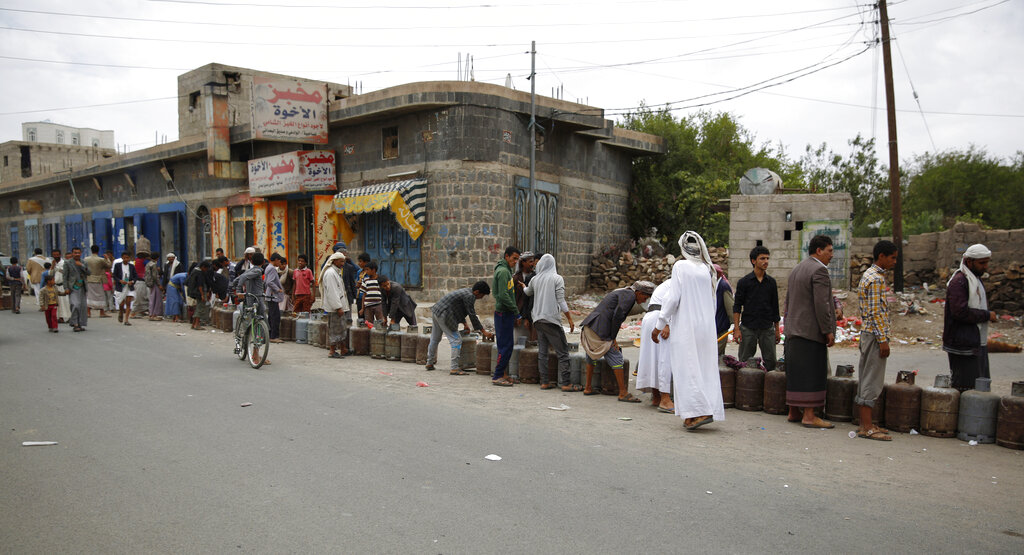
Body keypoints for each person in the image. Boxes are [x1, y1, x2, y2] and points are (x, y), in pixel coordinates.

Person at [652, 231, 725, 430]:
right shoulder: (708, 269)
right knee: (704, 368)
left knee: (687, 369)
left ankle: (698, 412)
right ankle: (695, 413)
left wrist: (659, 325)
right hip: (706, 328)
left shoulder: (680, 266)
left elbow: (673, 298)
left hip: (687, 326)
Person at [783, 234, 836, 429]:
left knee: (796, 372)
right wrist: (828, 330)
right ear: (819, 250)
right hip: (810, 330)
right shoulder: (819, 271)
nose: (832, 255)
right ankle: (809, 415)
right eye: (830, 251)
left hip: (793, 330)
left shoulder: (797, 269)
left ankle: (793, 411)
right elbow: (821, 304)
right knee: (812, 372)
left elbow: (788, 301)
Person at [581, 280, 653, 402]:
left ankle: (588, 387)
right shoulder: (630, 296)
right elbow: (618, 316)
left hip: (591, 326)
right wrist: (613, 338)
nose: (645, 301)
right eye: (645, 297)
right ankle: (623, 393)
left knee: (591, 356)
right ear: (639, 292)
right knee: (617, 358)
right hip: (600, 329)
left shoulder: (623, 292)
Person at [856, 240, 899, 441]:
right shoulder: (875, 279)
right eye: (892, 257)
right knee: (871, 380)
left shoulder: (872, 276)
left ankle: (867, 423)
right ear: (881, 256)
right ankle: (866, 427)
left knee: (867, 376)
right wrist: (883, 340)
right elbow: (875, 313)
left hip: (869, 333)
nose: (894, 262)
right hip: (874, 334)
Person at [943, 243, 998, 392]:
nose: (985, 266)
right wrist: (987, 315)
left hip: (975, 341)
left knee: (980, 389)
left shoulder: (975, 280)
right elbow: (959, 312)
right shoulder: (960, 282)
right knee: (966, 390)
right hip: (963, 344)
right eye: (982, 263)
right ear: (969, 261)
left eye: (987, 262)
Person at [522, 253, 576, 390]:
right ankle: (566, 383)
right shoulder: (557, 278)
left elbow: (528, 292)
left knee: (543, 352)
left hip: (538, 319)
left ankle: (544, 381)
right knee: (563, 352)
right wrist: (569, 318)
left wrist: (523, 286)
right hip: (551, 320)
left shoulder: (535, 279)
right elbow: (561, 301)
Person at [425, 281, 495, 375]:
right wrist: (483, 331)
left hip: (437, 311)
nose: (481, 298)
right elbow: (472, 315)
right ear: (477, 292)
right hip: (444, 314)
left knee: (435, 338)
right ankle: (454, 368)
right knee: (456, 340)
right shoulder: (470, 296)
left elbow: (459, 309)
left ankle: (429, 363)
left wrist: (465, 324)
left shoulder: (467, 291)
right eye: (482, 296)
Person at [732, 246, 781, 369]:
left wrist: (777, 330)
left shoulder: (771, 282)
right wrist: (737, 329)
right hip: (748, 327)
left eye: (767, 258)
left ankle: (768, 387)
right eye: (762, 258)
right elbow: (737, 306)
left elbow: (775, 307)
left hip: (767, 327)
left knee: (771, 362)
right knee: (745, 361)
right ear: (753, 261)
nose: (766, 262)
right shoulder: (744, 282)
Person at [637, 281, 674, 411]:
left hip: (653, 318)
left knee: (653, 357)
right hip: (660, 318)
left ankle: (657, 397)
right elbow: (671, 303)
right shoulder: (677, 283)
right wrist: (667, 324)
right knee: (663, 358)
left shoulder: (668, 283)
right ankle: (665, 399)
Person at [232, 252, 270, 365]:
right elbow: (242, 278)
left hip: (249, 301)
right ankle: (255, 354)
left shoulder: (249, 270)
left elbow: (237, 279)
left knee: (250, 324)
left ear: (251, 262)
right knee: (262, 327)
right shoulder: (258, 271)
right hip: (257, 302)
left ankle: (251, 350)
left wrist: (236, 289)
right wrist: (238, 290)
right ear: (263, 262)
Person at [491, 246, 522, 385]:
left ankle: (503, 373)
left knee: (504, 344)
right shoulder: (503, 271)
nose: (515, 261)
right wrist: (516, 311)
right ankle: (497, 376)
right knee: (506, 345)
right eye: (514, 258)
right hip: (504, 313)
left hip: (504, 312)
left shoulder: (505, 270)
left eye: (517, 259)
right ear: (507, 256)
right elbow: (503, 295)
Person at [321, 252, 351, 358]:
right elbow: (332, 292)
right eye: (341, 261)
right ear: (334, 261)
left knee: (341, 328)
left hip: (339, 306)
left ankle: (343, 349)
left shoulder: (335, 272)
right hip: (335, 308)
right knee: (335, 329)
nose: (343, 263)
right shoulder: (330, 273)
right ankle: (332, 351)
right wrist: (338, 307)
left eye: (343, 261)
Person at [513, 251, 538, 342]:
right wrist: (517, 315)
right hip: (519, 314)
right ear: (523, 262)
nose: (532, 264)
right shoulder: (516, 278)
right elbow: (514, 299)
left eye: (533, 261)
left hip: (530, 314)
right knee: (517, 342)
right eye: (530, 261)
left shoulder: (535, 276)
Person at [63, 246, 90, 332]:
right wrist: (66, 288)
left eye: (78, 253)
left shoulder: (83, 262)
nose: (77, 254)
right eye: (75, 253)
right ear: (72, 253)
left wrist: (81, 266)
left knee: (82, 306)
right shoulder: (67, 263)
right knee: (75, 304)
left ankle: (80, 323)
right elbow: (65, 277)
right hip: (73, 288)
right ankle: (75, 323)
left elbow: (89, 272)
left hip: (82, 287)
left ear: (81, 253)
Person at [84, 244, 111, 318]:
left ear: (91, 250)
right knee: (101, 296)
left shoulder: (86, 259)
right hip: (98, 280)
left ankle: (88, 312)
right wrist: (107, 258)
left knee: (89, 296)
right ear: (98, 251)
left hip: (89, 279)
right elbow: (109, 265)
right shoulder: (101, 260)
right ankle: (102, 312)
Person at [113, 251, 138, 326]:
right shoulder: (117, 265)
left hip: (129, 287)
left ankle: (126, 320)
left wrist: (132, 281)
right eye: (124, 258)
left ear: (129, 258)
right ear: (122, 258)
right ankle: (121, 312)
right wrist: (120, 281)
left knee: (128, 303)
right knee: (121, 304)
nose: (126, 259)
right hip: (121, 287)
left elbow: (135, 276)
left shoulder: (131, 266)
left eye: (127, 258)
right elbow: (114, 275)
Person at [713, 264, 734, 355]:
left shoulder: (723, 286)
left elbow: (730, 307)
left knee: (717, 354)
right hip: (714, 326)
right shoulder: (714, 285)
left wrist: (735, 323)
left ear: (718, 274)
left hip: (721, 327)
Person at [263, 255, 284, 343]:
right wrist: (277, 289)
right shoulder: (271, 268)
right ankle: (274, 336)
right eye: (279, 261)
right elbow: (269, 282)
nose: (279, 263)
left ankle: (270, 334)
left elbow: (266, 282)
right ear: (276, 260)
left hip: (270, 295)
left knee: (271, 316)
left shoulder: (268, 267)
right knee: (275, 317)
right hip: (272, 296)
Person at [186, 260, 212, 330]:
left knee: (198, 307)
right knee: (200, 308)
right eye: (206, 268)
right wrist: (202, 295)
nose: (206, 270)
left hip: (194, 292)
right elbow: (200, 285)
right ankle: (197, 324)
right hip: (199, 292)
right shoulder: (199, 273)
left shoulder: (194, 271)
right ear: (203, 267)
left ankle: (194, 324)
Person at [52, 252, 73, 323]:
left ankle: (70, 317)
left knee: (66, 302)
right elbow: (51, 274)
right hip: (56, 285)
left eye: (57, 255)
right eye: (54, 255)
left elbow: (66, 273)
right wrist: (52, 267)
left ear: (60, 255)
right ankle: (61, 317)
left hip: (63, 285)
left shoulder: (63, 263)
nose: (56, 256)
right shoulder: (55, 264)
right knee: (59, 303)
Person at [145, 252, 164, 321]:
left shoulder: (148, 264)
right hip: (154, 284)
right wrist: (159, 285)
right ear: (157, 258)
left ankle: (151, 314)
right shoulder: (154, 265)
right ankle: (154, 314)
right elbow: (155, 276)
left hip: (149, 283)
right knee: (156, 299)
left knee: (152, 298)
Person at [355, 252, 371, 325]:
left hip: (367, 297)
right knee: (360, 316)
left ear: (366, 262)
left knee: (368, 316)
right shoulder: (359, 272)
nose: (359, 263)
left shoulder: (370, 272)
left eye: (360, 261)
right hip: (360, 297)